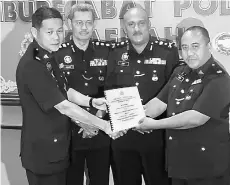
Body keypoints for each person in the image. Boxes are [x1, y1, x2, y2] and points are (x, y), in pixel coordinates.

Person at [16, 6, 110, 185]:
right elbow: (63, 105)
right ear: (35, 33)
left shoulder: (49, 57)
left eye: (59, 31)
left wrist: (91, 101)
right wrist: (104, 125)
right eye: (49, 32)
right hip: (43, 154)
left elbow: (66, 91)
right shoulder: (33, 65)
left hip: (58, 148)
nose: (56, 37)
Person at [136, 26, 230, 185]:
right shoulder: (180, 72)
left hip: (207, 168)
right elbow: (159, 103)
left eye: (195, 46)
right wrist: (132, 116)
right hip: (180, 165)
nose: (189, 53)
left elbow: (196, 118)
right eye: (185, 48)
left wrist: (154, 124)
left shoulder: (218, 78)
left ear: (209, 47)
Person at [105, 6, 179, 185]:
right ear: (124, 28)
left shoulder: (167, 51)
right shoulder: (115, 53)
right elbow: (109, 91)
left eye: (141, 23)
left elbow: (174, 91)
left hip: (157, 136)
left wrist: (150, 119)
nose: (136, 29)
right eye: (131, 24)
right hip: (125, 137)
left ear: (149, 25)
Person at [53, 3, 114, 185]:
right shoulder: (57, 53)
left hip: (100, 130)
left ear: (94, 24)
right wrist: (82, 122)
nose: (84, 27)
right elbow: (58, 94)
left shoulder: (106, 51)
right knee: (71, 181)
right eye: (79, 22)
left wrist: (95, 122)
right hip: (70, 131)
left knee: (100, 180)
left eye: (88, 22)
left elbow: (111, 88)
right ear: (70, 24)